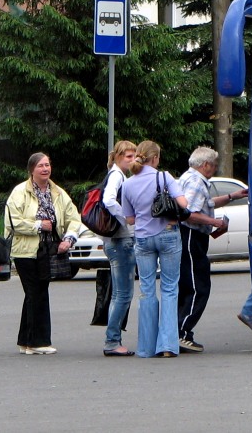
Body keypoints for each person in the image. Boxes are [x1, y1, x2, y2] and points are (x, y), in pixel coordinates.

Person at [6, 152, 80, 355]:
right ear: (32, 170)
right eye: (41, 166)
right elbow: (13, 222)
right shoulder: (19, 192)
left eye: (47, 165)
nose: (45, 169)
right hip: (25, 251)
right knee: (35, 293)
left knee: (36, 293)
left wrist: (69, 238)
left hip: (48, 251)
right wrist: (39, 225)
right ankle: (38, 343)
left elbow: (74, 217)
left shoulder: (58, 192)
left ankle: (26, 341)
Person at [121, 140, 187, 358]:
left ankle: (146, 347)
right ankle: (167, 345)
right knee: (169, 288)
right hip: (167, 234)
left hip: (142, 239)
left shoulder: (128, 184)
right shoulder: (164, 177)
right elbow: (184, 204)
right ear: (156, 158)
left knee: (147, 290)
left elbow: (129, 218)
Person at [175, 147, 241, 353]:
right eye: (213, 165)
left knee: (185, 285)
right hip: (191, 236)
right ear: (205, 165)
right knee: (197, 286)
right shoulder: (196, 182)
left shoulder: (188, 177)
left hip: (187, 236)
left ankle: (176, 331)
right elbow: (189, 213)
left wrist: (231, 196)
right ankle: (182, 332)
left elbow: (207, 203)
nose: (214, 169)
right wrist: (215, 222)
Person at [101, 140, 137, 357]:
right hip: (120, 240)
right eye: (127, 156)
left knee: (120, 293)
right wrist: (126, 219)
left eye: (134, 156)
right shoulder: (116, 175)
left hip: (115, 240)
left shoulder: (119, 175)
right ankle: (112, 340)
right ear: (117, 157)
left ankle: (113, 338)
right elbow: (108, 200)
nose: (131, 160)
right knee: (123, 294)